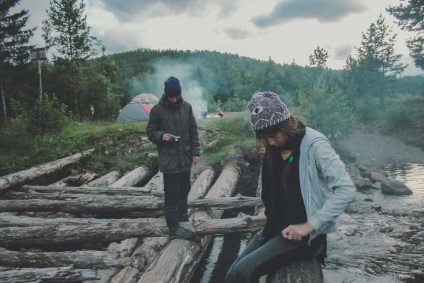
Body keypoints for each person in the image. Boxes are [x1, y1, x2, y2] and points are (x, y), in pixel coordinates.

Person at [225, 91, 356, 283]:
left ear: (285, 123)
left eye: (272, 135)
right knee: (231, 276)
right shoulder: (276, 147)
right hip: (276, 227)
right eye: (264, 137)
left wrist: (308, 226)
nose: (270, 142)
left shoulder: (315, 145)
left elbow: (346, 189)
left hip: (305, 237)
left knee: (244, 272)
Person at [146, 76, 200, 239]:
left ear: (180, 93)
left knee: (185, 189)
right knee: (172, 194)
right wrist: (161, 135)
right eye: (171, 96)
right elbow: (150, 132)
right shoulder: (157, 110)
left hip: (185, 158)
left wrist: (195, 152)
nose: (174, 99)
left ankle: (182, 217)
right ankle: (174, 228)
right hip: (169, 160)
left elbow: (193, 131)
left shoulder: (187, 107)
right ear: (166, 94)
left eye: (176, 96)